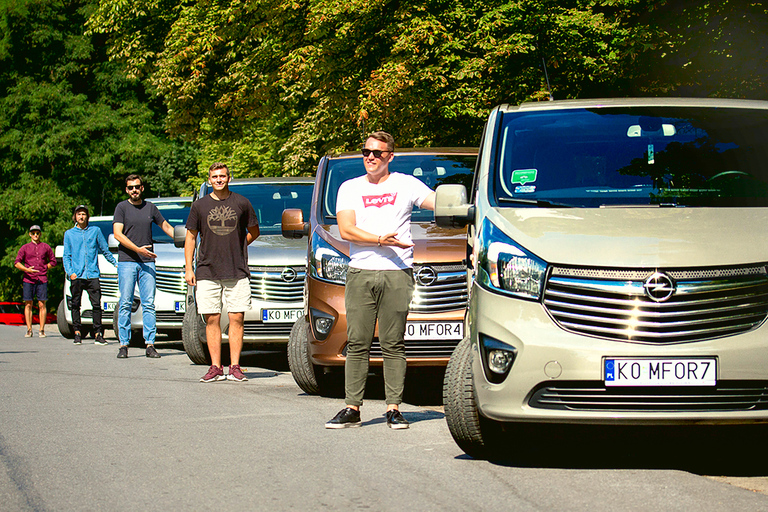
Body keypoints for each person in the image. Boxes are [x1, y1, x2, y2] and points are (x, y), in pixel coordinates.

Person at [325, 131, 435, 430]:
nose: (370, 157)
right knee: (358, 341)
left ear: (390, 157)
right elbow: (346, 230)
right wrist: (379, 240)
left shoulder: (406, 183)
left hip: (398, 272)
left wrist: (468, 201)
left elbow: (440, 203)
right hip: (361, 271)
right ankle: (352, 408)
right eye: (366, 152)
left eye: (377, 153)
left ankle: (394, 408)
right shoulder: (349, 187)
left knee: (393, 343)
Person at [184, 163, 259, 383]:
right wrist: (189, 268)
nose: (219, 180)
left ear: (229, 178)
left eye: (222, 176)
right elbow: (190, 237)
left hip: (237, 269)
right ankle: (215, 367)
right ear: (209, 180)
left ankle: (235, 366)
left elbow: (254, 231)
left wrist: (238, 244)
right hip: (207, 269)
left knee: (236, 317)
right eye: (215, 177)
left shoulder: (242, 203)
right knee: (212, 318)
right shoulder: (199, 206)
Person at [113, 174, 174, 359]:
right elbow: (117, 234)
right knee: (125, 303)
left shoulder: (151, 208)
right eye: (131, 187)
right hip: (127, 261)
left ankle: (150, 344)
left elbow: (166, 227)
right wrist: (138, 250)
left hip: (147, 262)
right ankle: (124, 344)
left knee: (149, 304)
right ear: (126, 190)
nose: (134, 190)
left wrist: (187, 239)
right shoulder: (121, 208)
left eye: (137, 187)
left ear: (142, 188)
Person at [63, 205, 118, 345]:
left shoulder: (95, 231)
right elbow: (66, 256)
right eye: (79, 214)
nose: (81, 217)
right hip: (77, 275)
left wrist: (116, 264)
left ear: (87, 216)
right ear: (75, 217)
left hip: (92, 274)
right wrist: (70, 272)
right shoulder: (69, 234)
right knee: (75, 304)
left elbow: (105, 250)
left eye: (83, 214)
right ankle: (77, 332)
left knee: (96, 305)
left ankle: (98, 333)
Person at [14, 225, 56, 338]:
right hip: (28, 279)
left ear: (40, 234)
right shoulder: (25, 248)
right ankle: (29, 329)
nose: (35, 235)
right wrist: (26, 269)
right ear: (30, 234)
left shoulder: (45, 247)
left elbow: (53, 261)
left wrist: (44, 267)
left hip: (42, 278)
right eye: (33, 233)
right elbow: (17, 262)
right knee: (28, 304)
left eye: (37, 233)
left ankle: (41, 330)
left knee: (42, 303)